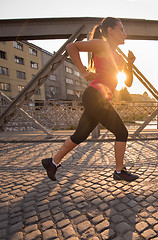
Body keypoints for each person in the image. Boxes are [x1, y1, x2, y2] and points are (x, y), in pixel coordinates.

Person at [42, 17, 139, 182]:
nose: (125, 34)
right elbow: (71, 46)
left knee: (80, 135)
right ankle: (119, 171)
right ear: (110, 31)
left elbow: (128, 83)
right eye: (121, 29)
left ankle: (52, 162)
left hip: (99, 99)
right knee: (122, 132)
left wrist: (129, 64)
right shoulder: (102, 45)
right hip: (95, 96)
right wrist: (83, 71)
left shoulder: (119, 57)